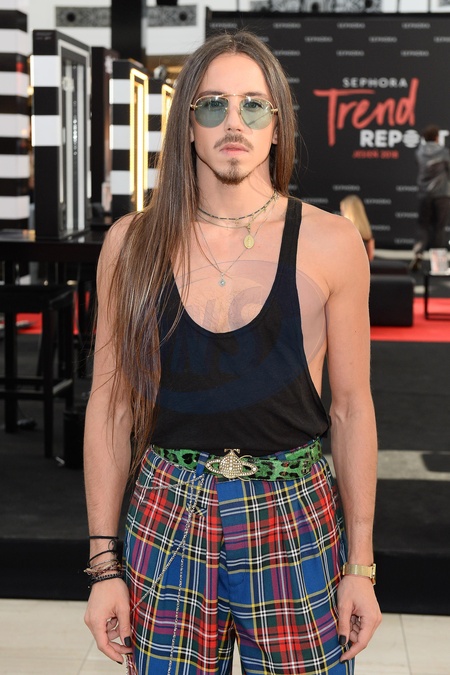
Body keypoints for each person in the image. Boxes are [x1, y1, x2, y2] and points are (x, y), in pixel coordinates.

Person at [84, 30, 381, 675]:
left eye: (253, 104)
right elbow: (109, 407)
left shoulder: (330, 242)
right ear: (187, 124)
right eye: (214, 104)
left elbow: (352, 408)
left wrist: (361, 565)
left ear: (277, 125)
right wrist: (104, 566)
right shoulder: (131, 243)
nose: (234, 122)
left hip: (295, 512)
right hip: (167, 509)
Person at [410, 124, 450, 271]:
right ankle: (438, 264)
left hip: (424, 194)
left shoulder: (419, 152)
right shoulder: (444, 152)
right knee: (439, 227)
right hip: (442, 195)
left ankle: (418, 254)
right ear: (437, 137)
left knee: (423, 225)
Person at [340, 194, 375, 261]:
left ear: (347, 212)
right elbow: (370, 257)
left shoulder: (343, 233)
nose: (341, 214)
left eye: (342, 211)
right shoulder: (367, 233)